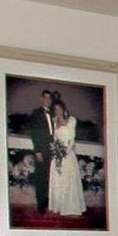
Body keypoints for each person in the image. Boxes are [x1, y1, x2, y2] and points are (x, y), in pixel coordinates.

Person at [38, 93, 87, 221]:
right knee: (58, 180)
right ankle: (59, 206)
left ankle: (71, 207)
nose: (57, 111)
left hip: (67, 154)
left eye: (59, 108)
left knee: (69, 180)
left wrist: (65, 151)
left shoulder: (72, 120)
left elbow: (71, 138)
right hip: (57, 155)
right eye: (55, 109)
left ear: (64, 109)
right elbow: (53, 138)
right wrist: (56, 151)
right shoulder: (54, 122)